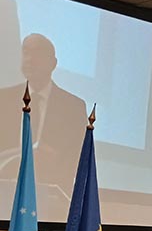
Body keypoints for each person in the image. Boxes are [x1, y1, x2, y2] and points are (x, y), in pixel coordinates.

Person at [0, 33, 88, 191]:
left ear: (53, 63)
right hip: (5, 191)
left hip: (50, 195)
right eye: (26, 52)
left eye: (37, 53)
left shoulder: (74, 107)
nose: (29, 59)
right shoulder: (4, 100)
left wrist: (52, 162)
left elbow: (78, 158)